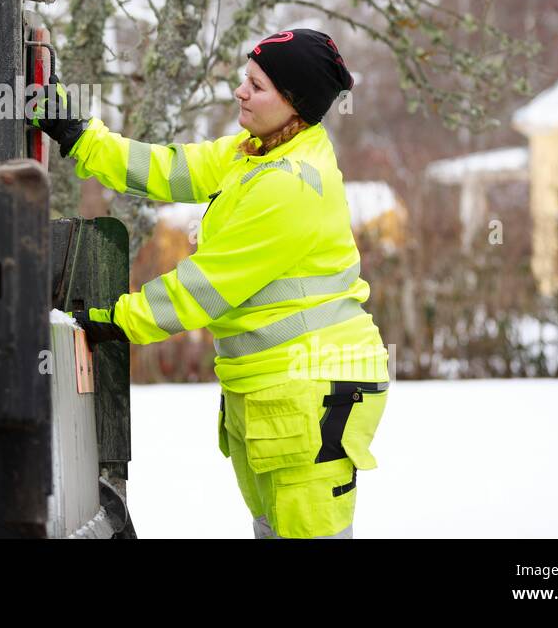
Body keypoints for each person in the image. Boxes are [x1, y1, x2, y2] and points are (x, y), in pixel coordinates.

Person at [31, 28, 390, 539]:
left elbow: (206, 286)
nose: (241, 92)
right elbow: (171, 170)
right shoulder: (253, 152)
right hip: (269, 388)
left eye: (257, 86)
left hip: (313, 389)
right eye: (246, 79)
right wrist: (80, 135)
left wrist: (116, 320)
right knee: (272, 530)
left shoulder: (290, 184)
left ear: (294, 103)